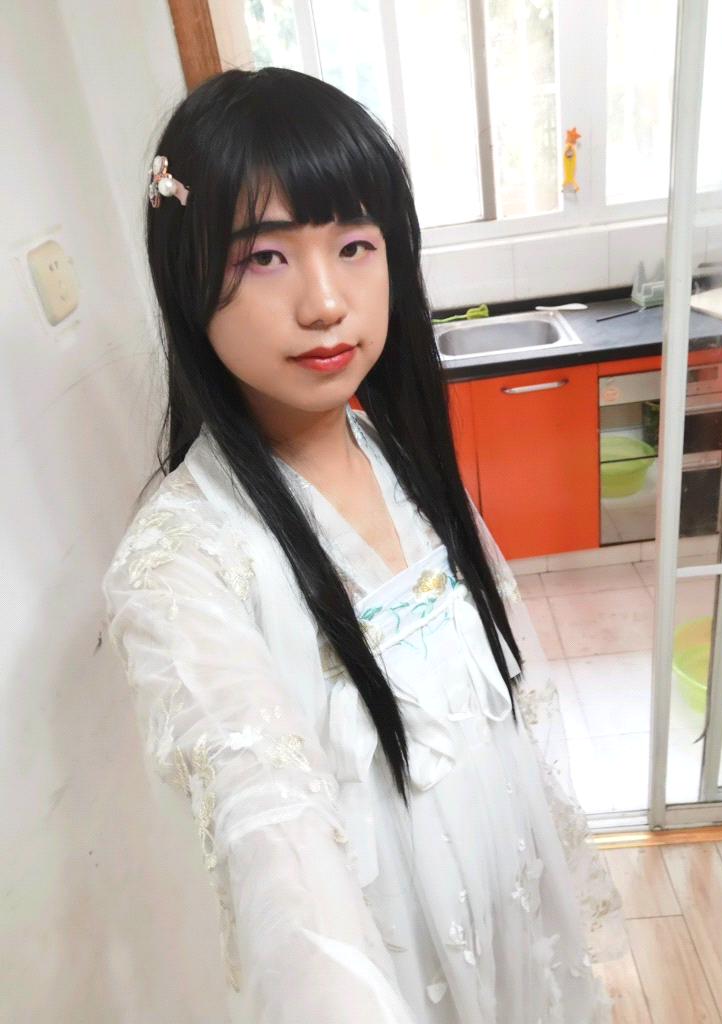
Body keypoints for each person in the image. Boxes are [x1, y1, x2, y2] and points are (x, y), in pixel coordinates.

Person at [104, 67, 624, 1024]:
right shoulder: (181, 565)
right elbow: (273, 840)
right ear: (187, 277)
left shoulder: (390, 448)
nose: (325, 303)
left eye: (354, 246)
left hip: (513, 922)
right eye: (265, 258)